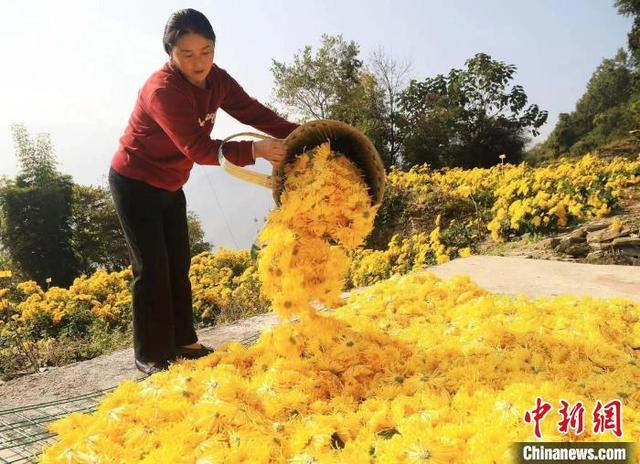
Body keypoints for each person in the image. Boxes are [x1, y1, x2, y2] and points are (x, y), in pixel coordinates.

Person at [109, 8, 299, 375]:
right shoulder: (162, 91)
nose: (199, 63)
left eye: (206, 51)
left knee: (179, 264)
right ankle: (150, 354)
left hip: (169, 184)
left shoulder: (217, 81)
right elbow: (197, 148)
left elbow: (253, 112)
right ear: (170, 54)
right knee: (151, 268)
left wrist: (302, 132)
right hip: (134, 182)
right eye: (188, 54)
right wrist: (255, 150)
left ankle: (184, 341)